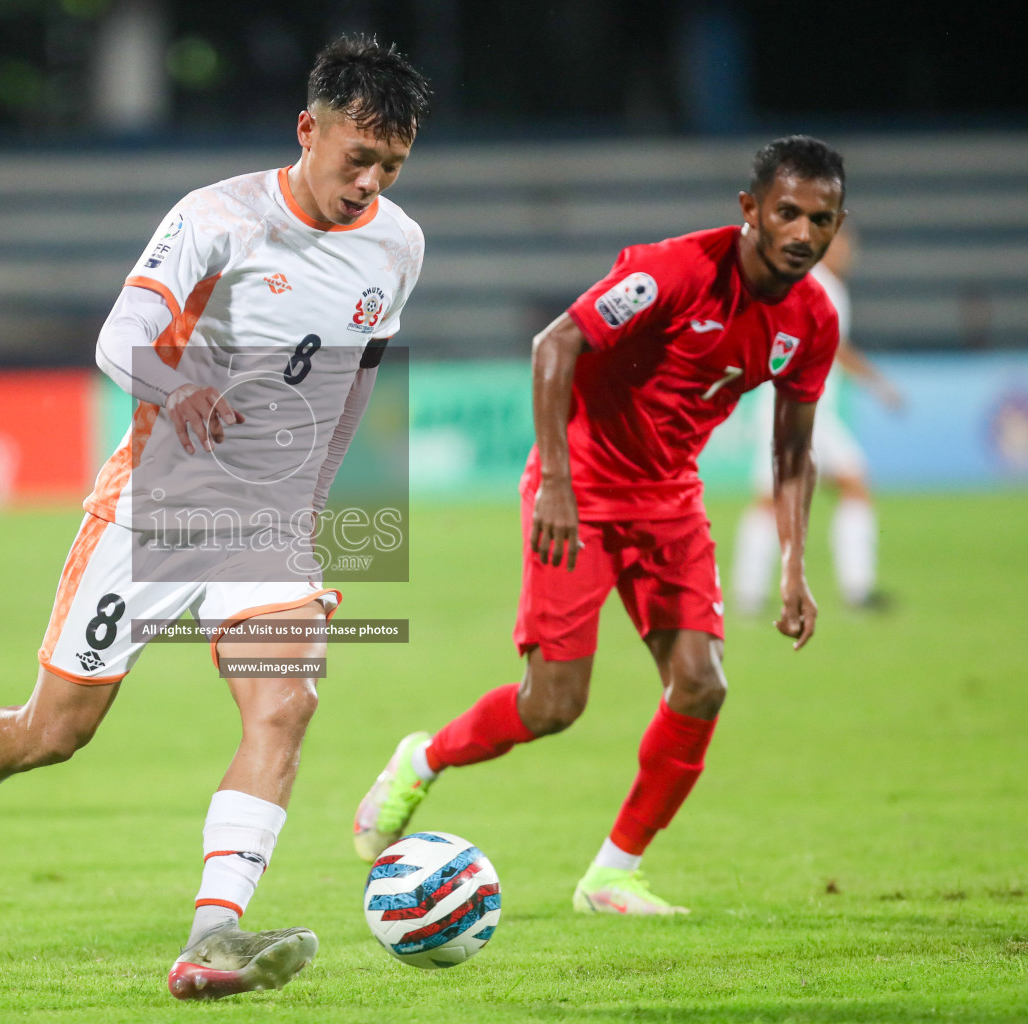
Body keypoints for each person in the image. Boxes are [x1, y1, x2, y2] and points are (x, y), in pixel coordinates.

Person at [0, 37, 428, 999]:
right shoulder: (218, 218)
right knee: (55, 731)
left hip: (267, 523)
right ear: (308, 130)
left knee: (284, 707)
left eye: (389, 167)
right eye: (355, 160)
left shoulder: (398, 244)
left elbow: (358, 377)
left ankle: (214, 939)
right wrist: (183, 387)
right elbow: (119, 335)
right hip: (155, 507)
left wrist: (316, 496)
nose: (367, 184)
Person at [353, 136, 847, 915]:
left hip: (671, 501)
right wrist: (553, 478)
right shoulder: (674, 271)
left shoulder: (813, 320)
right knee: (553, 705)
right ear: (751, 210)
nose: (802, 234)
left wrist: (794, 568)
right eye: (787, 212)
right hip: (578, 491)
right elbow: (556, 344)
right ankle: (424, 757)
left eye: (821, 219)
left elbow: (793, 448)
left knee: (701, 685)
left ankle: (612, 874)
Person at [732, 227, 902, 613]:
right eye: (842, 243)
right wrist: (878, 384)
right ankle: (851, 589)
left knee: (834, 488)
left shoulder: (815, 283)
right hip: (799, 407)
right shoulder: (819, 285)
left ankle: (755, 592)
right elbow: (834, 348)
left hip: (802, 407)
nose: (848, 251)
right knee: (819, 491)